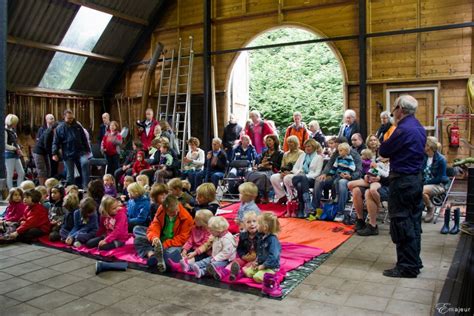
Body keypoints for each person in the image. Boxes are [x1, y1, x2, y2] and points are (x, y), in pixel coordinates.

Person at [379, 94, 426, 278]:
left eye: (394, 109)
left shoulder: (402, 129)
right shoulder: (419, 127)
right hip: (415, 179)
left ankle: (406, 266)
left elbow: (384, 150)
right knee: (413, 221)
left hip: (403, 181)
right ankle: (414, 261)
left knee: (401, 221)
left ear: (400, 109)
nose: (393, 113)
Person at [133, 195, 193, 272]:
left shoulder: (186, 217)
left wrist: (164, 245)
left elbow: (183, 238)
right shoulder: (161, 209)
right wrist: (154, 238)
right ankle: (152, 255)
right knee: (137, 232)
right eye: (171, 212)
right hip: (160, 239)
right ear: (165, 210)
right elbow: (155, 225)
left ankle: (156, 257)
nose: (175, 213)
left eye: (176, 210)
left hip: (173, 243)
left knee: (173, 253)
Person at [312, 137, 362, 217]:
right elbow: (329, 164)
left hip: (349, 177)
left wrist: (350, 176)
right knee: (319, 180)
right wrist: (324, 173)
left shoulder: (355, 155)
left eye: (338, 147)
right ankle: (315, 208)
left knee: (341, 182)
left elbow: (359, 170)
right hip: (335, 175)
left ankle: (340, 212)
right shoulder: (336, 153)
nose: (337, 149)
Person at [349, 156, 390, 235]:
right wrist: (367, 177)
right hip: (372, 181)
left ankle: (372, 225)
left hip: (386, 185)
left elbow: (389, 178)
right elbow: (366, 172)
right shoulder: (377, 161)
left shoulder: (394, 162)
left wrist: (378, 178)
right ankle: (360, 219)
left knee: (369, 192)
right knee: (356, 190)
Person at [52, 109, 91, 189]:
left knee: (85, 163)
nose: (70, 120)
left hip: (80, 152)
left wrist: (87, 150)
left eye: (72, 118)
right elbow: (56, 142)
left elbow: (84, 139)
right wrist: (54, 153)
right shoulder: (60, 128)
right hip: (68, 153)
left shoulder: (78, 126)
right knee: (70, 174)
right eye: (68, 118)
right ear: (64, 117)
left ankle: (85, 187)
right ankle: (71, 190)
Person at [243, 213, 281, 283]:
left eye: (258, 223)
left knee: (256, 277)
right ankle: (260, 272)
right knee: (247, 272)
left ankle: (271, 275)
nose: (256, 225)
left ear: (265, 227)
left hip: (271, 267)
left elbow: (273, 257)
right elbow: (259, 251)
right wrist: (256, 262)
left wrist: (264, 265)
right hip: (261, 263)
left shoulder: (273, 240)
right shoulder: (261, 236)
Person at [291, 139, 324, 217]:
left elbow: (317, 173)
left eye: (309, 146)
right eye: (305, 147)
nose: (307, 148)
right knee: (300, 181)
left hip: (311, 179)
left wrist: (304, 176)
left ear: (313, 146)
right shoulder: (302, 155)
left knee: (300, 184)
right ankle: (307, 204)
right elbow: (294, 168)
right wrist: (300, 172)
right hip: (299, 177)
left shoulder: (319, 157)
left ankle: (301, 207)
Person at [246, 135, 283, 203]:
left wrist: (270, 163)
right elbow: (259, 163)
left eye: (270, 140)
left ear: (274, 141)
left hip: (272, 171)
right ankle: (253, 194)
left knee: (262, 176)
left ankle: (263, 195)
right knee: (250, 173)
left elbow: (280, 166)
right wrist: (262, 163)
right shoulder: (264, 152)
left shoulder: (280, 153)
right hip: (262, 169)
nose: (268, 142)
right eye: (267, 141)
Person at [422, 136, 449, 223]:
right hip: (424, 183)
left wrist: (425, 182)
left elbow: (440, 178)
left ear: (429, 147)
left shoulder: (441, 160)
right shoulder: (424, 157)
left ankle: (430, 207)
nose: (423, 146)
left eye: (425, 145)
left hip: (438, 184)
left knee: (421, 190)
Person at [270, 136, 304, 205]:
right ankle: (282, 196)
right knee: (274, 177)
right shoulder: (286, 154)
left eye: (291, 142)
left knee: (287, 178)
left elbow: (301, 167)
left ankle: (293, 198)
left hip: (295, 173)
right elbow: (282, 165)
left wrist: (290, 172)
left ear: (295, 143)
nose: (289, 144)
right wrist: (281, 172)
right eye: (288, 142)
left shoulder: (301, 153)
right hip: (285, 172)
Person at [228, 211, 259, 281]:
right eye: (248, 222)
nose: (252, 224)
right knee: (236, 261)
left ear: (258, 223)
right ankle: (226, 271)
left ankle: (239, 274)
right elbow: (240, 249)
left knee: (248, 266)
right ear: (244, 225)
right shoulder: (243, 235)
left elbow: (264, 250)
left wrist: (256, 258)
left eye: (254, 221)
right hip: (246, 256)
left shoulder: (261, 236)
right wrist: (243, 256)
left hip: (256, 259)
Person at [4, 114, 25, 189]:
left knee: (21, 173)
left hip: (15, 154)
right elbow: (5, 145)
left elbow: (15, 142)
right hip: (9, 155)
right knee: (10, 174)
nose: (16, 124)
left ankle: (19, 189)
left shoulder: (13, 131)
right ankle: (11, 191)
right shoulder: (5, 131)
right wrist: (14, 148)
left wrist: (18, 147)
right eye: (15, 122)